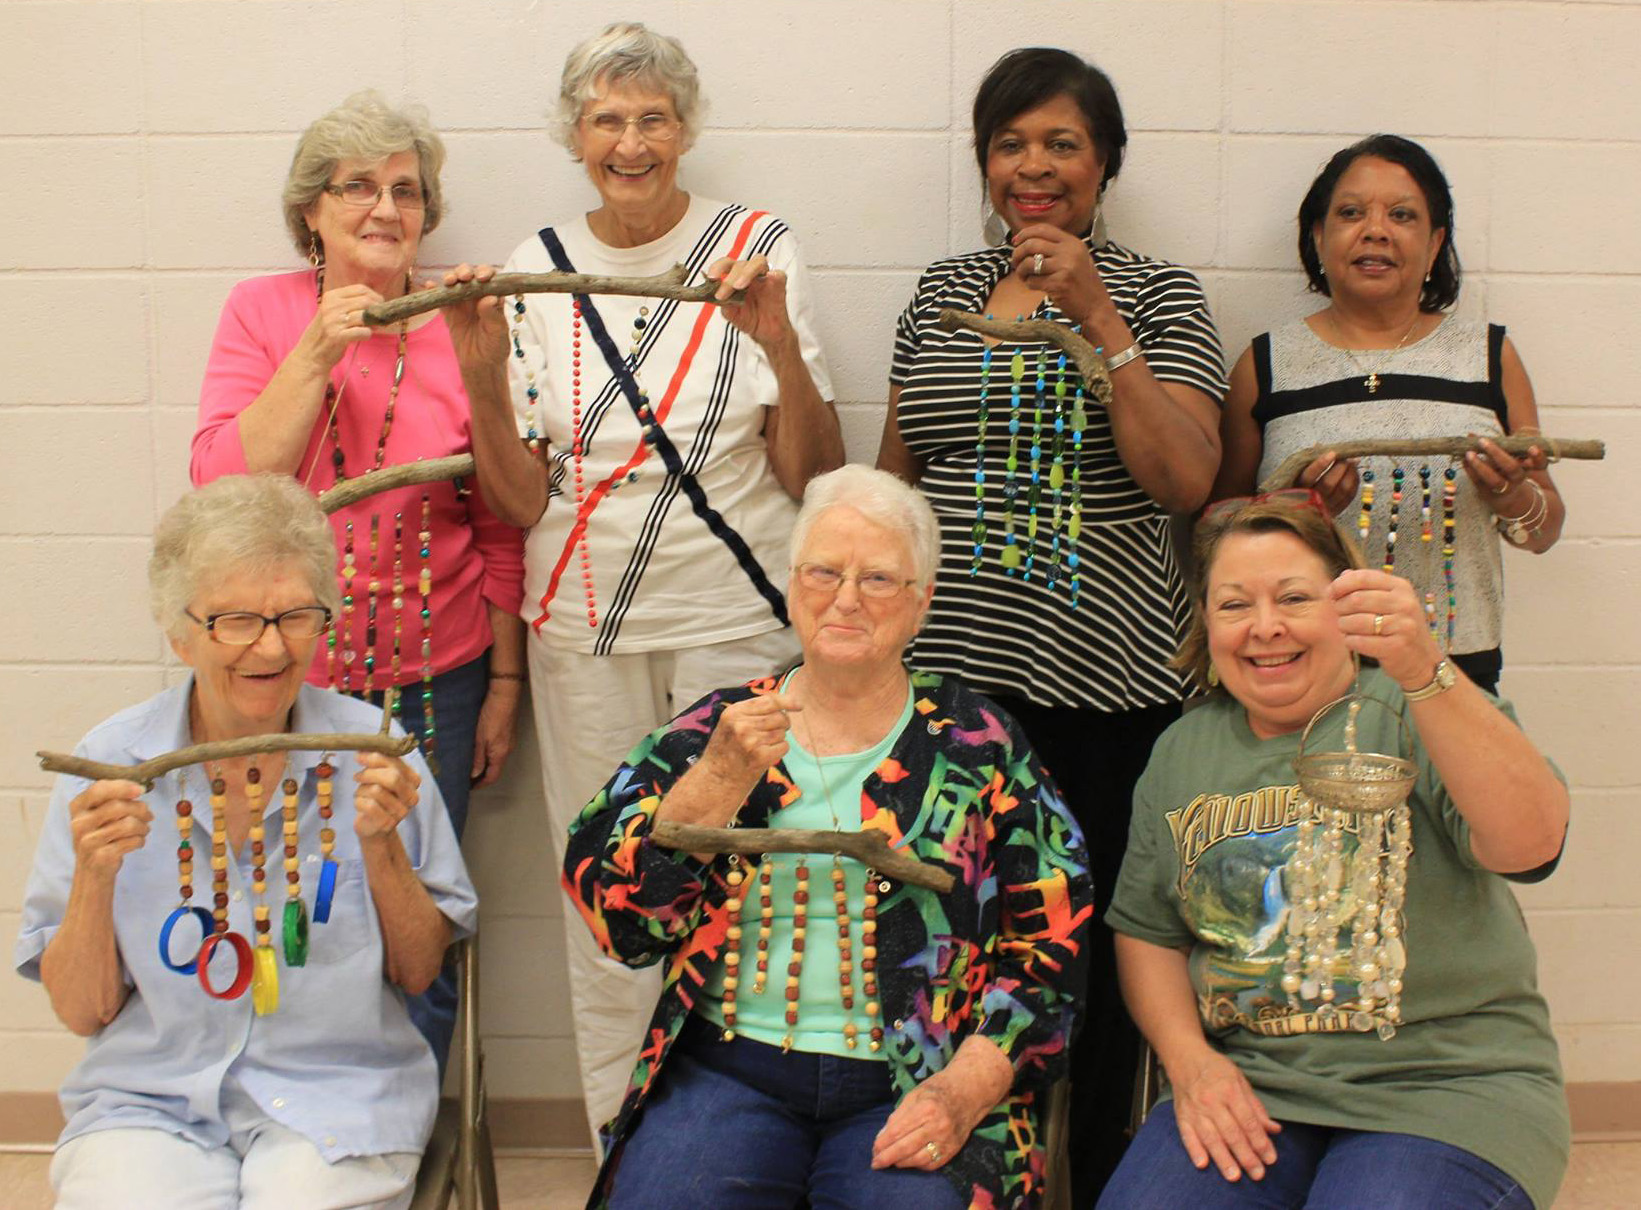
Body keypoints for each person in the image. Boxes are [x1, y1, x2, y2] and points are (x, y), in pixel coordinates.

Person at [447, 21, 842, 1141]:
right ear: (576, 136)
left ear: (687, 130)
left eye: (653, 118)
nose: (631, 141)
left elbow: (813, 471)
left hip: (738, 621)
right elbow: (521, 504)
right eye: (608, 119)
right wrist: (479, 369)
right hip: (583, 633)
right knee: (608, 894)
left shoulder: (754, 243)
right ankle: (631, 1147)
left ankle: (751, 1136)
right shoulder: (533, 268)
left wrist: (782, 345)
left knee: (752, 890)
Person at [875, 46, 1227, 1199]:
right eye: (1012, 143)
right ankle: (969, 1167)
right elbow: (895, 479)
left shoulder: (1162, 292)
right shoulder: (938, 290)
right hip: (952, 692)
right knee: (955, 942)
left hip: (1112, 691)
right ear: (985, 163)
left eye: (1062, 143)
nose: (1035, 166)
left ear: (1105, 163)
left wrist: (1098, 317)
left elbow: (1184, 476)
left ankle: (1098, 1177)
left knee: (1095, 952)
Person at [562, 465, 1090, 1209]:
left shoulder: (980, 745)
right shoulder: (714, 732)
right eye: (824, 572)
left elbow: (1053, 952)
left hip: (920, 1074)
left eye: (878, 579)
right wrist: (713, 783)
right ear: (791, 586)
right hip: (728, 1070)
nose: (845, 598)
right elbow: (622, 928)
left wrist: (966, 1089)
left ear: (920, 605)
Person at [16, 475, 477, 1210]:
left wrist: (382, 846)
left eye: (294, 615)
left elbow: (421, 973)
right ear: (178, 630)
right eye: (235, 619)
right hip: (149, 1106)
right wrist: (95, 875)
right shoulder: (110, 764)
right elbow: (82, 1012)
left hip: (339, 1101)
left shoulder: (373, 754)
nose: (268, 646)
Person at [1100, 491, 1569, 1209]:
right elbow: (1147, 932)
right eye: (1232, 605)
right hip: (1255, 1085)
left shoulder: (1416, 705)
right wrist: (1189, 1063)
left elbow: (1530, 842)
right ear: (1204, 622)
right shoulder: (1180, 751)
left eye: (1294, 597)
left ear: (1346, 605)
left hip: (1447, 1088)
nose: (1264, 627)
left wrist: (1425, 668)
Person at [191, 91, 524, 1070]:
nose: (386, 208)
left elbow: (502, 523)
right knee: (279, 904)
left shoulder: (458, 322)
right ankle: (283, 1109)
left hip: (439, 680)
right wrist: (317, 351)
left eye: (407, 191)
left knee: (412, 915)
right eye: (358, 188)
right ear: (312, 211)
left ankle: (400, 1144)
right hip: (279, 681)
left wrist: (505, 684)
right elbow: (223, 477)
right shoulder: (264, 311)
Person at [1213, 134, 1566, 694]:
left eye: (1402, 215)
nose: (1375, 230)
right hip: (1300, 672)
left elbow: (1545, 529)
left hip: (1456, 671)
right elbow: (1214, 533)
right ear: (1318, 236)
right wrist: (1298, 513)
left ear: (1434, 244)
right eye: (1351, 212)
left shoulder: (1488, 356)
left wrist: (1512, 497)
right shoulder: (1265, 364)